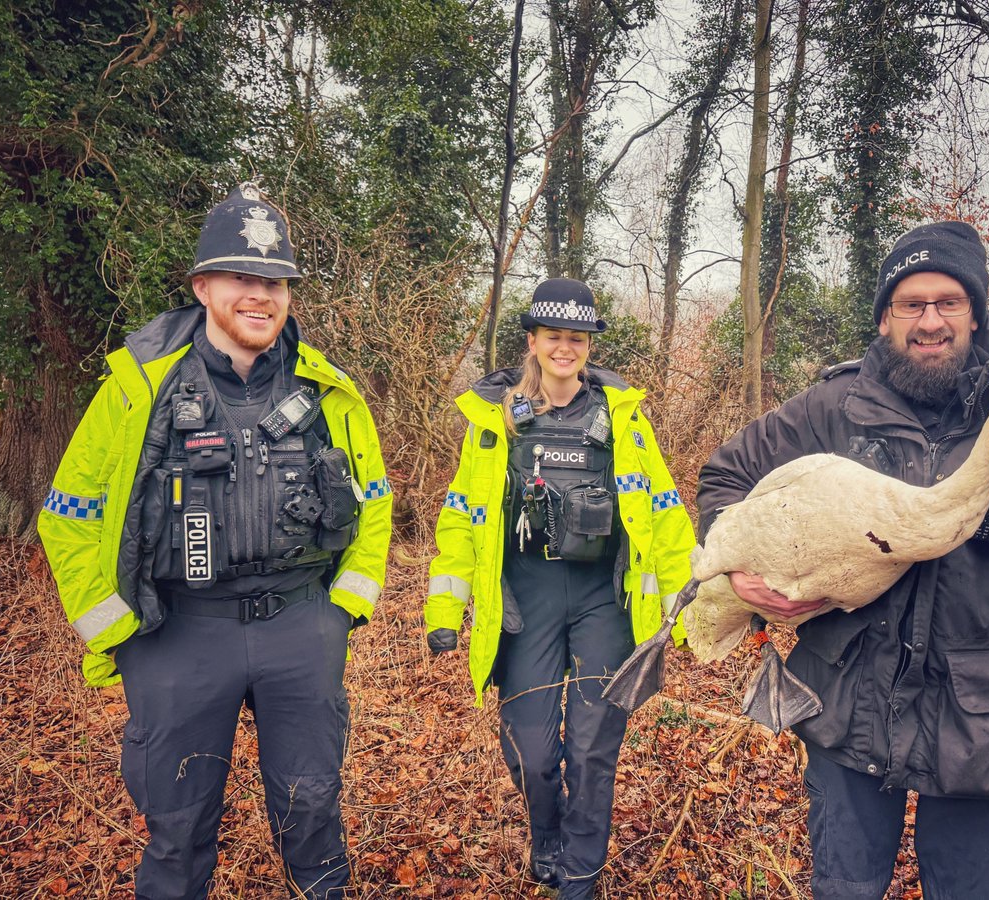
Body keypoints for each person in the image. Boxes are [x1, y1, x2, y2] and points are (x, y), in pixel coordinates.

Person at [697, 222, 989, 899]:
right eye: (910, 304)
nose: (930, 321)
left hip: (985, 728)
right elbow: (725, 481)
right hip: (849, 711)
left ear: (977, 312)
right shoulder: (832, 408)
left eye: (949, 302)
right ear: (883, 319)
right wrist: (746, 578)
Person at [39, 182, 393, 899]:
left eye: (276, 282)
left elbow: (376, 502)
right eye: (242, 277)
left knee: (314, 812)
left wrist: (343, 609)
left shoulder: (328, 390)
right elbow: (68, 512)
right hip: (178, 634)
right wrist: (120, 632)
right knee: (177, 828)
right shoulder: (139, 387)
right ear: (203, 286)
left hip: (301, 627)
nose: (261, 295)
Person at [425, 278, 696, 898]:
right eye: (555, 337)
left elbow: (664, 511)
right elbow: (463, 514)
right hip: (526, 598)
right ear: (534, 341)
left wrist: (684, 609)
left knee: (593, 749)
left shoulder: (623, 421)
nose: (566, 348)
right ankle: (544, 829)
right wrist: (446, 604)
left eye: (578, 338)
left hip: (604, 598)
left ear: (588, 344)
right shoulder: (495, 423)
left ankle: (580, 874)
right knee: (533, 755)